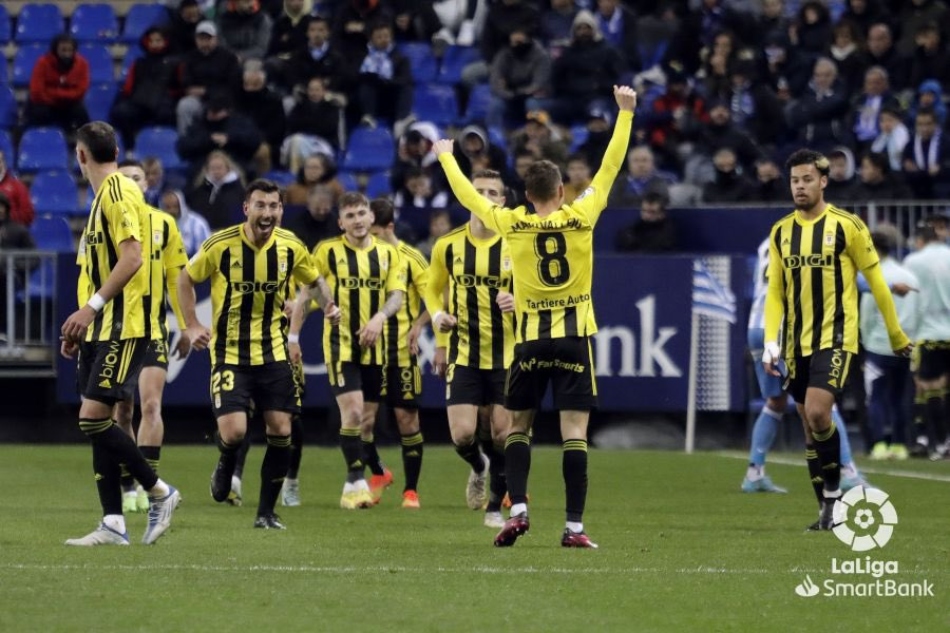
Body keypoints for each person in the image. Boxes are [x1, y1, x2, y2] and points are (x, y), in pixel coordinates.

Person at [433, 84, 638, 548]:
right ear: (562, 191)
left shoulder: (513, 223)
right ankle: (574, 528)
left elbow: (469, 198)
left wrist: (447, 156)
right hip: (573, 339)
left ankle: (519, 510)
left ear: (523, 196)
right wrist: (624, 115)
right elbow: (609, 167)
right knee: (574, 433)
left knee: (518, 427)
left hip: (527, 342)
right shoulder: (583, 214)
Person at [762, 149, 912, 531]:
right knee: (810, 429)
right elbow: (775, 291)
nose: (800, 186)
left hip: (837, 337)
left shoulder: (848, 226)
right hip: (796, 345)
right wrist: (770, 341)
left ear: (823, 181)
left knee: (816, 412)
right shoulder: (781, 231)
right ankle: (827, 507)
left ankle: (834, 490)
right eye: (795, 180)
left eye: (807, 179)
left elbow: (877, 283)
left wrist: (896, 334)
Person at [60, 121, 180, 546]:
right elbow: (97, 268)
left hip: (123, 325)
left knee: (92, 420)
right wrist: (81, 324)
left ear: (80, 155)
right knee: (101, 420)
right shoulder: (100, 201)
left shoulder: (116, 191)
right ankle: (112, 521)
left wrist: (89, 310)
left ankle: (159, 492)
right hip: (98, 329)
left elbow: (132, 258)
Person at [178, 179, 322, 529]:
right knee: (235, 432)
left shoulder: (291, 246)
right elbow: (185, 278)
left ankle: (266, 513)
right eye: (260, 205)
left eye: (274, 206)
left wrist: (314, 304)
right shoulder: (220, 244)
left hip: (273, 353)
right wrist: (192, 325)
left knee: (281, 429)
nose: (268, 213)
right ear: (247, 209)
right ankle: (226, 462)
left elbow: (314, 282)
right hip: (229, 352)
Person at [289, 192, 405, 510]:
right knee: (352, 412)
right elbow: (308, 291)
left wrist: (380, 317)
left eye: (361, 213)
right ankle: (354, 483)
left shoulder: (388, 254)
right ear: (341, 223)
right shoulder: (327, 251)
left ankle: (371, 473)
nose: (357, 220)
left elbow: (397, 295)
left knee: (366, 422)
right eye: (350, 216)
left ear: (371, 218)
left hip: (376, 348)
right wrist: (295, 336)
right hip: (340, 345)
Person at [744, 233, 868, 495]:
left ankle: (754, 473)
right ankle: (846, 470)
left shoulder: (766, 242)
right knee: (823, 398)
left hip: (756, 325)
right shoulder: (807, 242)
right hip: (783, 327)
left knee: (775, 402)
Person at [424, 169, 514, 528]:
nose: (486, 197)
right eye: (479, 191)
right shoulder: (448, 245)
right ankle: (479, 466)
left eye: (493, 192)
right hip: (464, 353)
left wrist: (518, 299)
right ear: (467, 196)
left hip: (507, 355)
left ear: (503, 201)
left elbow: (537, 289)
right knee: (462, 435)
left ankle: (494, 506)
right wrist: (437, 316)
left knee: (503, 433)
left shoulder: (515, 243)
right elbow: (432, 289)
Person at [102, 161, 190, 514]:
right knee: (123, 411)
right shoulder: (106, 221)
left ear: (147, 183)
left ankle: (149, 484)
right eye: (123, 179)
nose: (131, 183)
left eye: (136, 178)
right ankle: (126, 481)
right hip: (116, 329)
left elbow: (176, 279)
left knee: (151, 405)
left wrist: (186, 324)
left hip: (153, 328)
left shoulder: (164, 224)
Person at [369, 198, 429, 508]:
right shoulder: (363, 254)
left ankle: (411, 490)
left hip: (402, 353)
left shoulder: (412, 258)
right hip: (368, 352)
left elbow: (434, 296)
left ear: (389, 227)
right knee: (362, 420)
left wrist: (418, 325)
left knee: (407, 419)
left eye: (375, 232)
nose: (370, 237)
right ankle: (379, 471)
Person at [861, 230, 920, 460]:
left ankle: (879, 445)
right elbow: (918, 311)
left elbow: (866, 315)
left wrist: (866, 343)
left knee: (876, 397)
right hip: (906, 346)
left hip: (878, 347)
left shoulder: (873, 276)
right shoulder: (908, 275)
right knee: (900, 397)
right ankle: (899, 445)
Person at [902, 221, 950, 459]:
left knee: (928, 389)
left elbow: (910, 301)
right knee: (946, 390)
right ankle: (941, 441)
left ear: (920, 240)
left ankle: (939, 444)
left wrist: (906, 334)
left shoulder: (914, 262)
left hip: (928, 335)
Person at [26, 34, 90, 132]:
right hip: (45, 104)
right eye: (63, 50)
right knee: (38, 112)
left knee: (81, 114)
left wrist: (53, 93)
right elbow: (36, 92)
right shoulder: (42, 63)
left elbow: (80, 91)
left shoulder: (82, 64)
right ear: (55, 50)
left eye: (70, 50)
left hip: (69, 104)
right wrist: (61, 97)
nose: (67, 54)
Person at [159, 189, 212, 257]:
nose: (172, 211)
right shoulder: (157, 224)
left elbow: (205, 252)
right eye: (168, 207)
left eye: (175, 206)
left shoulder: (197, 223)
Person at [0, 151, 34, 227]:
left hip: (10, 232)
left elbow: (28, 216)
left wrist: (5, 216)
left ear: (4, 164)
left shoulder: (18, 186)